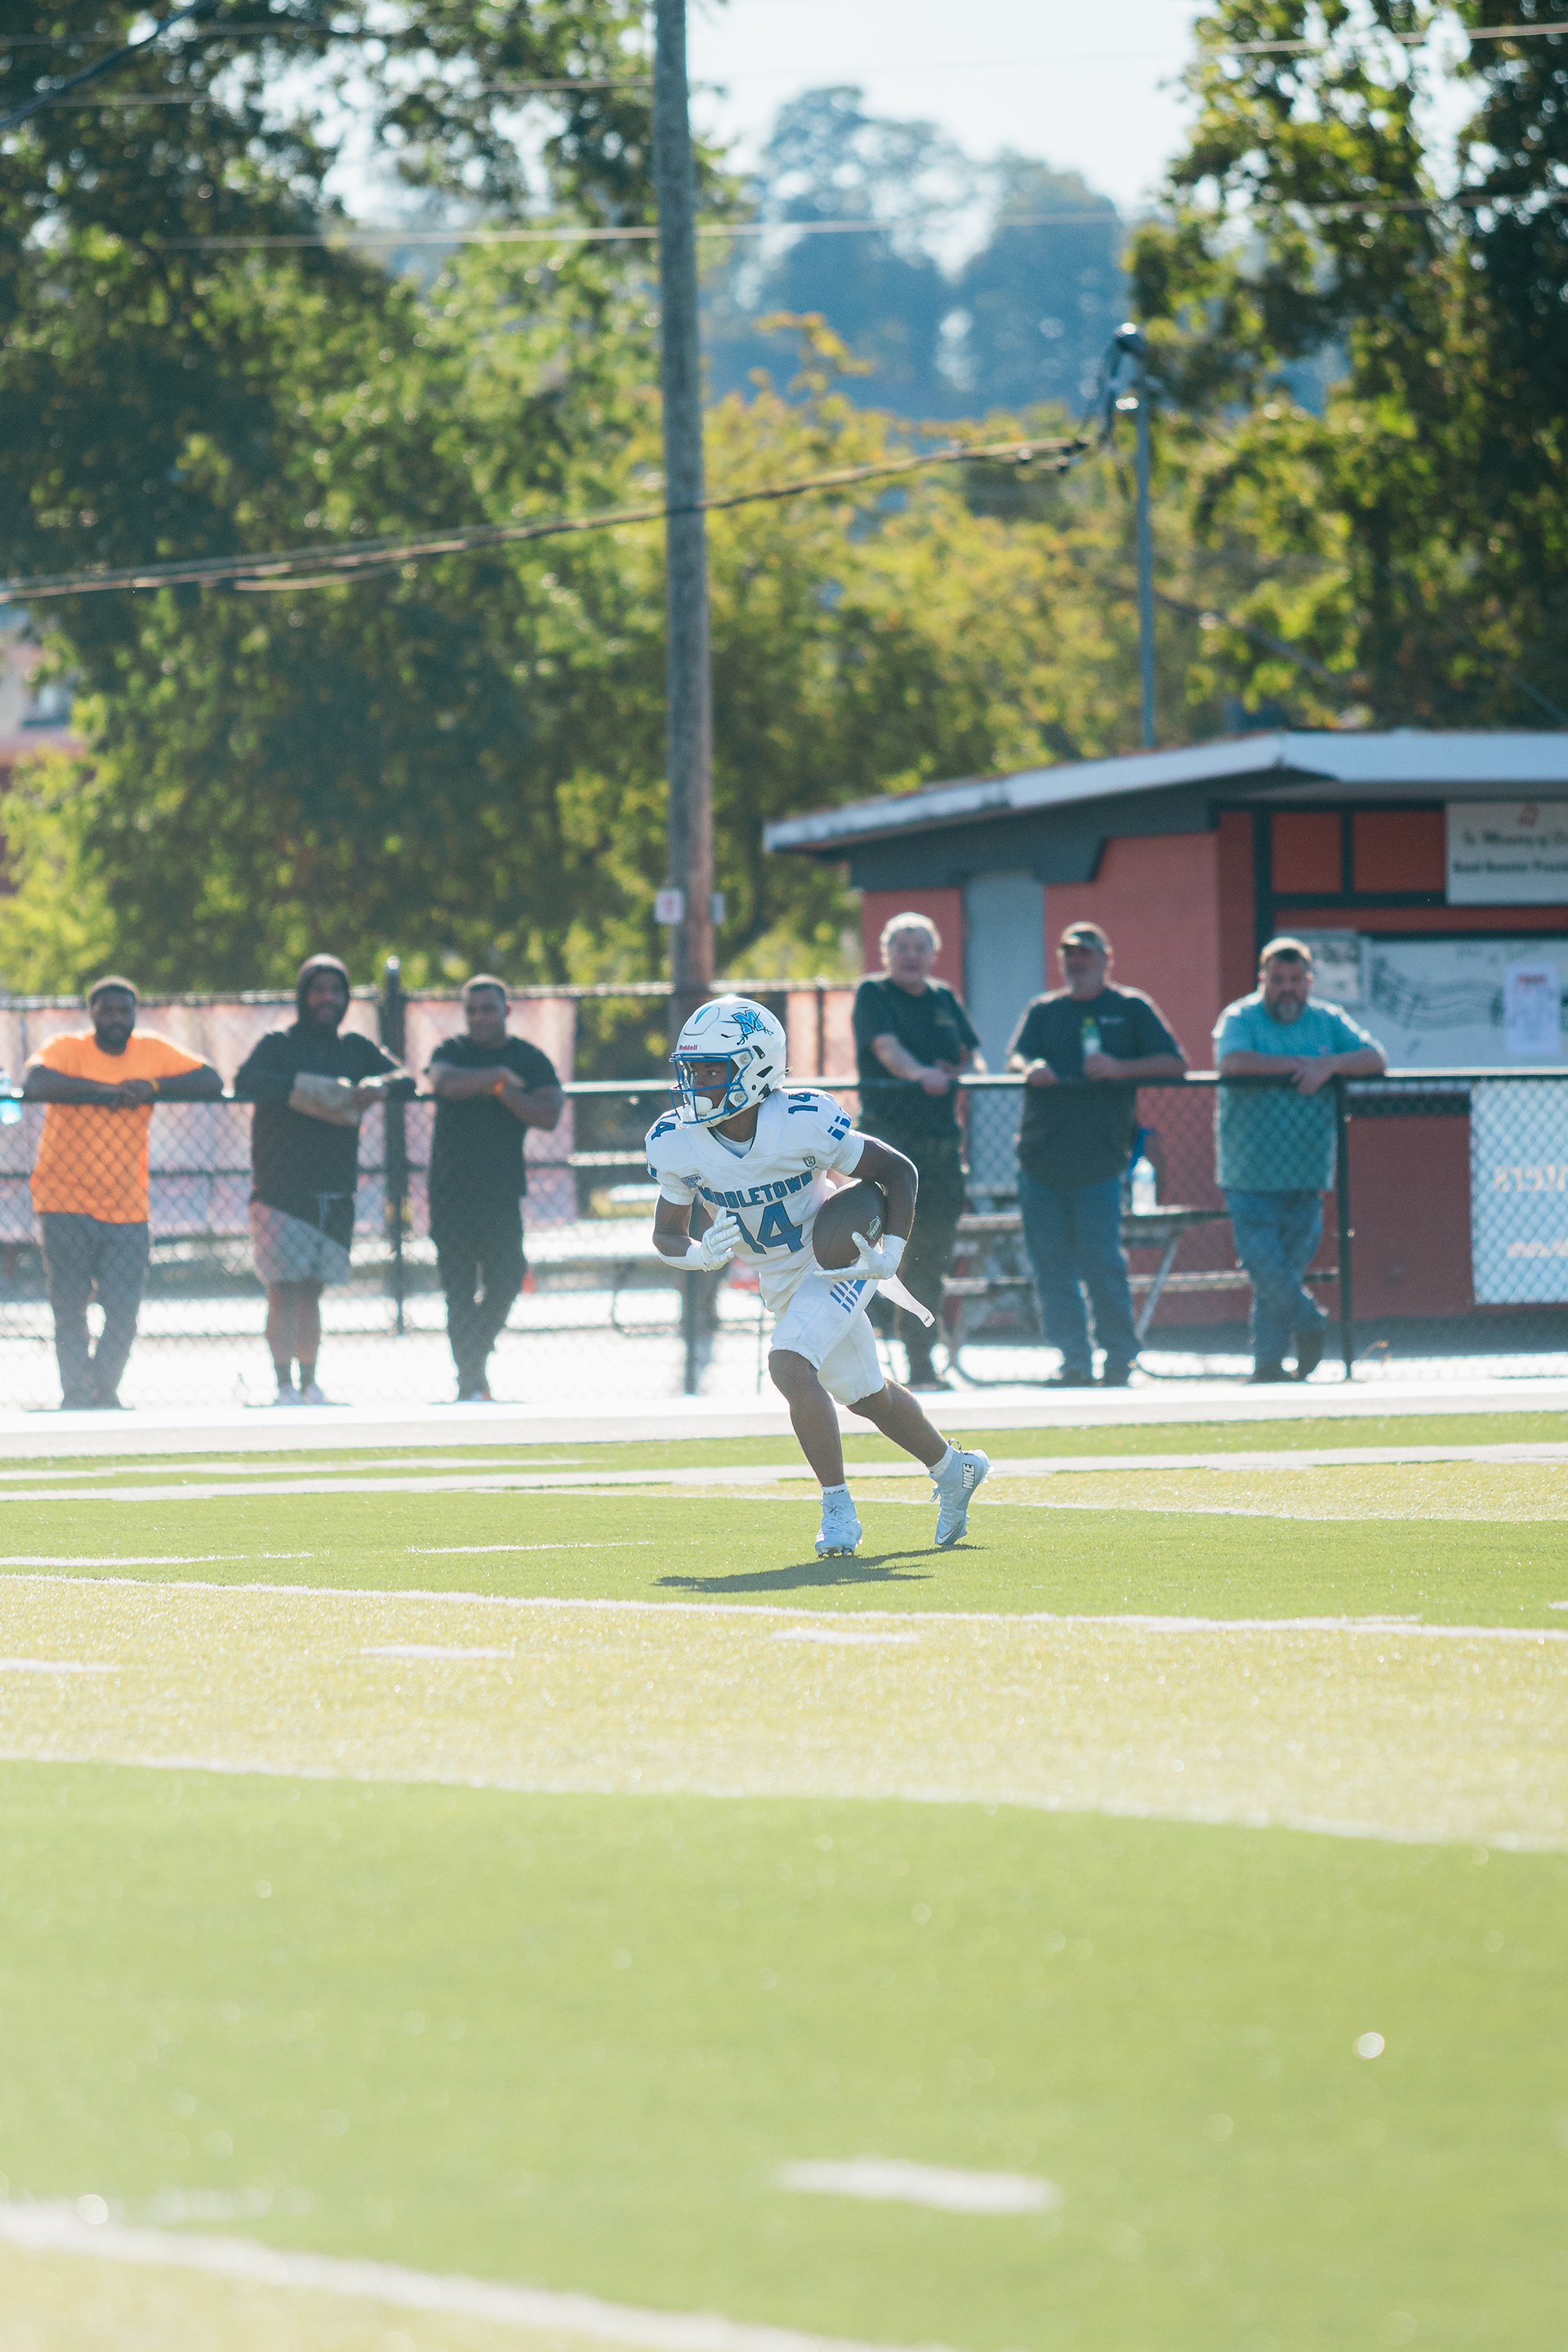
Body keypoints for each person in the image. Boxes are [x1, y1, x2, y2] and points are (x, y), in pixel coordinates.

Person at [646, 994, 990, 1557]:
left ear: (756, 1067)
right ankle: (955, 1469)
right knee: (866, 1396)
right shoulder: (675, 1141)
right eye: (692, 1070)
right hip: (779, 1280)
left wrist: (891, 1252)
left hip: (837, 1258)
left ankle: (837, 1508)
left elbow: (897, 1171)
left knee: (788, 1363)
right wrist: (698, 1253)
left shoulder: (800, 1120)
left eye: (711, 1069)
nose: (696, 1084)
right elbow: (666, 1233)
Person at [22, 978, 221, 1409]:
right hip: (64, 1199)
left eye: (123, 1011)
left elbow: (211, 1080)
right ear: (91, 1014)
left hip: (127, 1204)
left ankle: (104, 1388)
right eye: (106, 1011)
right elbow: (35, 1082)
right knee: (70, 1305)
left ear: (135, 1014)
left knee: (124, 1307)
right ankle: (76, 1393)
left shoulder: (150, 1050)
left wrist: (153, 1087)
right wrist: (105, 1092)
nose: (115, 1019)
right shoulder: (68, 1048)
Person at [1007, 922, 1186, 1387]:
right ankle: (1074, 1361)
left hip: (1101, 1162)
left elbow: (1175, 1063)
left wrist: (1120, 1068)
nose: (1077, 962)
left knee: (1102, 1262)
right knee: (1051, 1267)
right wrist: (1032, 1067)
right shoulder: (1044, 1011)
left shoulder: (1131, 1008)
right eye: (1070, 954)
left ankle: (1120, 1359)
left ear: (1106, 958)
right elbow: (1016, 1057)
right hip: (1041, 1159)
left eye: (1086, 954)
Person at [233, 955, 414, 1405]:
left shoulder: (355, 1048)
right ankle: (283, 1387)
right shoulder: (279, 1045)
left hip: (335, 1190)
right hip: (281, 1190)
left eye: (336, 990)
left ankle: (310, 1384)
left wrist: (379, 1086)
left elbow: (407, 1079)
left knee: (312, 1292)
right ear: (302, 995)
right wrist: (315, 1091)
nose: (327, 999)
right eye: (318, 989)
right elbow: (245, 1081)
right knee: (283, 1288)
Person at [1215, 937, 1386, 1383]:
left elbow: (1374, 1057)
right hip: (1248, 1171)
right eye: (1277, 979)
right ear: (1262, 980)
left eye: (1295, 979)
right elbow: (1232, 1062)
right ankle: (1310, 1322)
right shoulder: (1240, 1018)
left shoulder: (1328, 1020)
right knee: (1265, 1267)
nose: (1286, 988)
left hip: (1308, 1170)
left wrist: (1329, 1066)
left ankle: (1268, 1364)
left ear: (1309, 981)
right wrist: (1302, 1064)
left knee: (1284, 1274)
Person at [853, 911, 983, 1388]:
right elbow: (887, 1050)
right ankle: (851, 1362)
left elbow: (970, 1053)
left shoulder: (944, 997)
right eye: (901, 946)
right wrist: (921, 1074)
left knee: (930, 1256)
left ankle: (921, 1363)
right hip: (888, 1145)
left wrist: (955, 1070)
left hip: (941, 1148)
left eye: (920, 947)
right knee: (864, 1250)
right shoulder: (874, 994)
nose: (911, 955)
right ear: (886, 953)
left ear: (933, 953)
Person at [425, 975, 565, 1401]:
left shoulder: (528, 1057)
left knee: (507, 1278)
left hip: (501, 1191)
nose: (480, 1017)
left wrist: (500, 1088)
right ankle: (471, 1381)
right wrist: (500, 1077)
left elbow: (548, 1114)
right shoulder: (451, 1051)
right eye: (472, 1010)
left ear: (507, 1010)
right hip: (450, 1191)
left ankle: (474, 1358)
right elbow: (444, 1082)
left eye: (488, 1008)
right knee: (458, 1290)